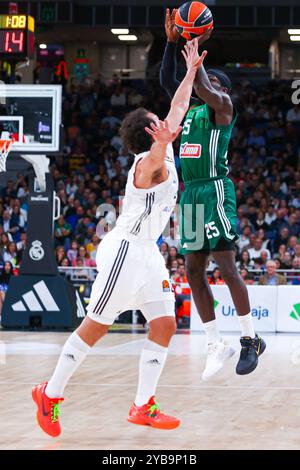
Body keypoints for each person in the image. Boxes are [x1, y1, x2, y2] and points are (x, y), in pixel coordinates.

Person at [32, 42, 204, 437]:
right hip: (125, 250)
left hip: (148, 253)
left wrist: (191, 69)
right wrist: (162, 141)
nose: (166, 119)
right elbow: (156, 160)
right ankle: (50, 393)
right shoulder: (146, 165)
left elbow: (177, 108)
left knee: (164, 324)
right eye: (157, 121)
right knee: (96, 326)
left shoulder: (164, 148)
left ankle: (143, 405)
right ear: (150, 133)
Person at [160, 9, 265, 380]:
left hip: (215, 189)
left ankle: (250, 339)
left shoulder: (223, 108)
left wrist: (195, 46)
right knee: (192, 269)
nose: (211, 87)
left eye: (216, 83)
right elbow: (169, 79)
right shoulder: (189, 110)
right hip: (189, 196)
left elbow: (202, 85)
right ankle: (213, 341)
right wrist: (174, 43)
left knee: (226, 265)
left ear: (224, 90)